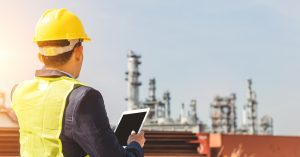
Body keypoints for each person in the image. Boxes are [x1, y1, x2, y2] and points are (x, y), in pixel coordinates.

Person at [11, 8, 145, 157]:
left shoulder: (18, 92)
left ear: (40, 56)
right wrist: (135, 145)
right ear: (79, 52)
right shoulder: (82, 98)